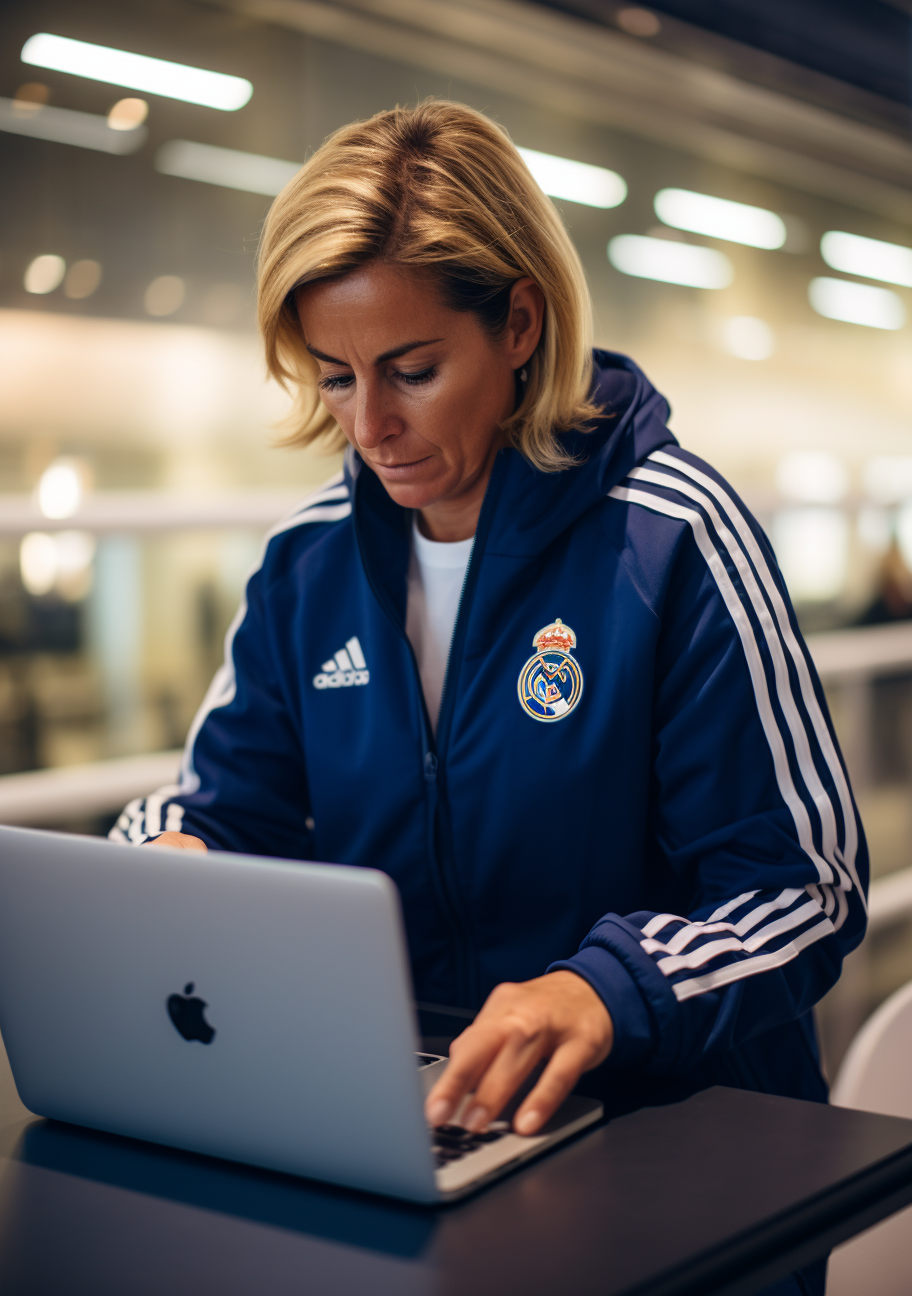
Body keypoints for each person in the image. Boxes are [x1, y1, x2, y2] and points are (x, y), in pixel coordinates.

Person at [113, 101, 865, 1293]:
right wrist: (169, 855)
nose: (370, 428)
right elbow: (220, 802)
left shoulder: (672, 543)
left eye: (412, 370)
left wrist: (600, 993)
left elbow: (803, 894)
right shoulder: (308, 566)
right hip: (411, 1134)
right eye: (335, 377)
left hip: (665, 1145)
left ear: (520, 322)